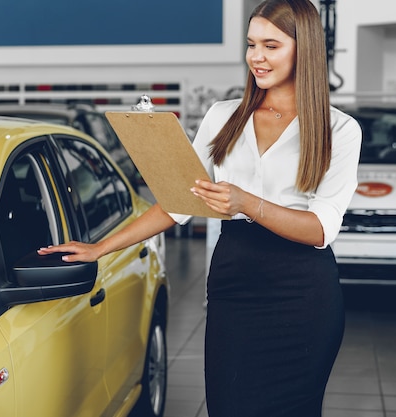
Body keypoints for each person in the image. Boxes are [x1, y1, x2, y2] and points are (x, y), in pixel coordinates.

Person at [38, 0, 362, 415]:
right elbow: (177, 204)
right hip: (235, 282)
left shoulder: (339, 130)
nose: (256, 58)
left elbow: (322, 228)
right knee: (228, 406)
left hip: (302, 293)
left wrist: (246, 202)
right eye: (250, 45)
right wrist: (99, 248)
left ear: (306, 50)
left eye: (271, 46)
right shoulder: (223, 116)